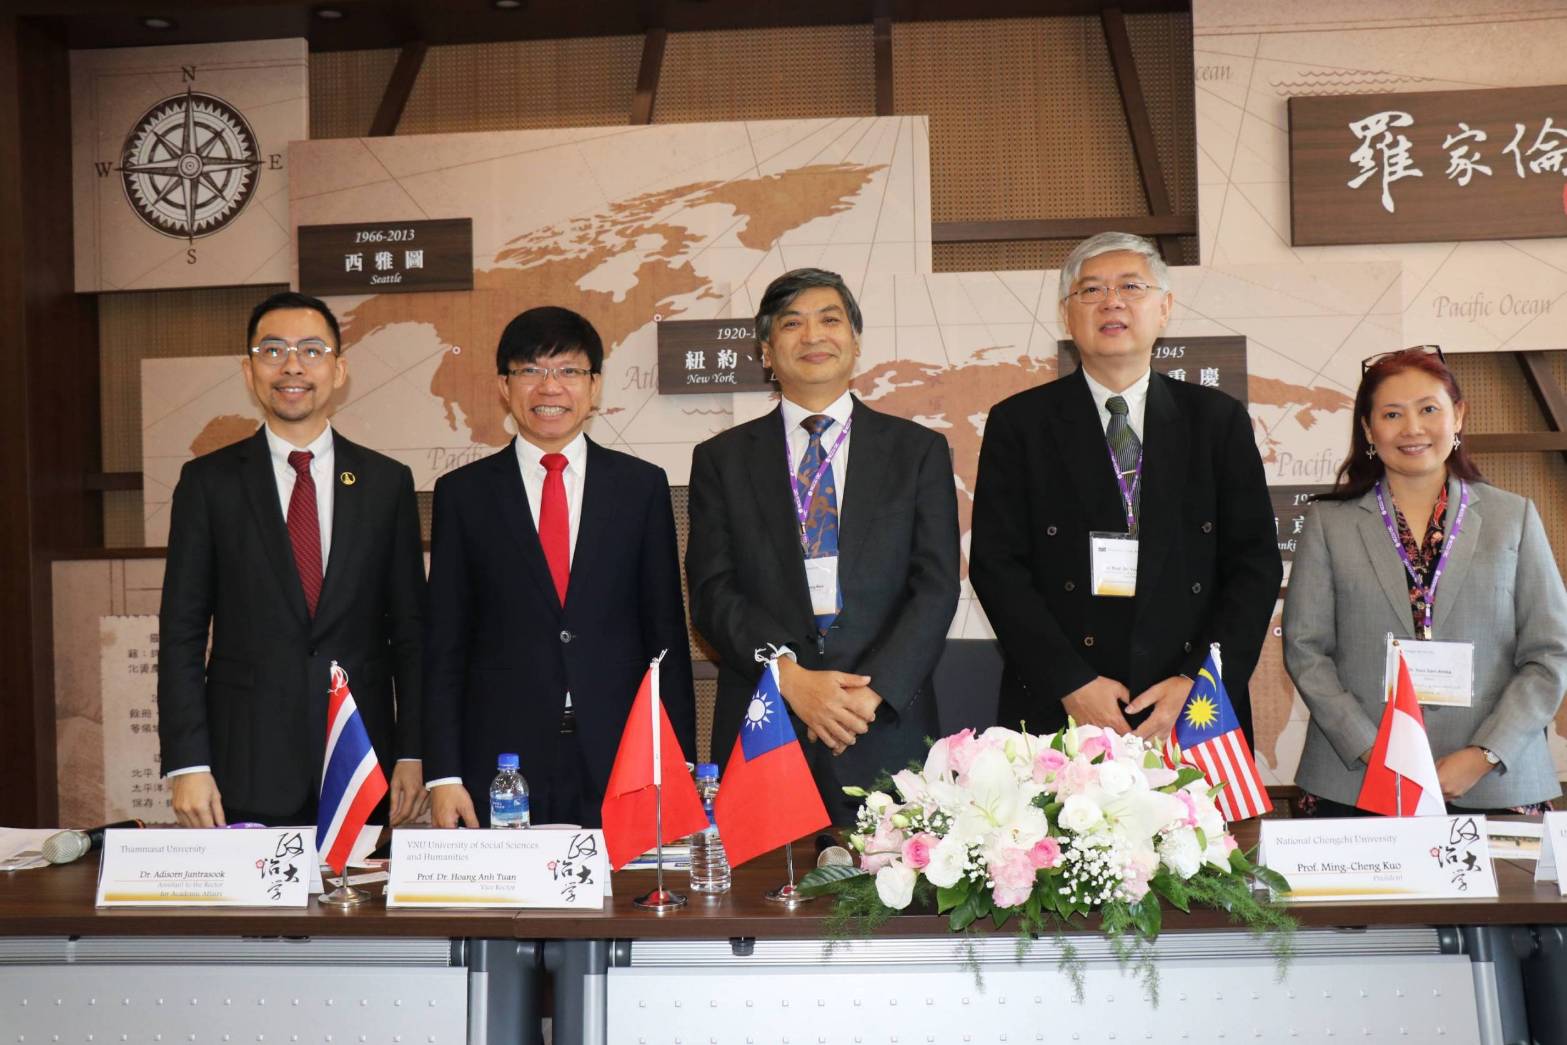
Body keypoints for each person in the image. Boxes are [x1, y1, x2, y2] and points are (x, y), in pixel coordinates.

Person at [970, 231, 1280, 741]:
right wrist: (1071, 681)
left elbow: (1255, 564)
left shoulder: (1215, 420)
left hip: (1187, 701)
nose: (1111, 301)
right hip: (1063, 703)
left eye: (1131, 287)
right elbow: (997, 567)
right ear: (1067, 315)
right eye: (1090, 290)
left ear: (1164, 308)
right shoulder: (1020, 424)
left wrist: (1198, 681)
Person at [686, 268, 960, 824]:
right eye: (792, 324)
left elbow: (935, 586)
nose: (813, 336)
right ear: (767, 351)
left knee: (896, 902)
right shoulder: (722, 459)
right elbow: (714, 593)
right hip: (768, 723)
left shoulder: (917, 451)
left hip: (885, 723)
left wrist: (870, 695)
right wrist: (789, 676)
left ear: (855, 342)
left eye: (829, 320)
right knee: (759, 901)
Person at [158, 291, 428, 828]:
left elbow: (411, 634)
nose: (292, 366)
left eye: (311, 349)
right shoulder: (208, 484)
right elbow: (182, 631)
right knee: (258, 916)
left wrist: (413, 752)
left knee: (362, 910)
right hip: (246, 764)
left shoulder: (385, 482)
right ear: (248, 369)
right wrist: (187, 761)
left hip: (361, 761)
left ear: (339, 368)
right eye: (273, 350)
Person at [422, 306, 695, 828]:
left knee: (622, 904)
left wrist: (675, 761)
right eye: (530, 371)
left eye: (568, 371)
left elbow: (664, 635)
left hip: (623, 754)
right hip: (500, 761)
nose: (550, 388)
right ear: (505, 386)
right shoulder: (464, 495)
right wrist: (444, 774)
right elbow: (444, 644)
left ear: (594, 387)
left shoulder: (640, 487)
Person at [1284, 347, 1567, 816]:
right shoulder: (1328, 522)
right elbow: (1305, 648)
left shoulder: (1511, 517)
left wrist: (1484, 754)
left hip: (1493, 783)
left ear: (1458, 416)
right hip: (1360, 780)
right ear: (1369, 429)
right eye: (1392, 414)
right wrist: (1374, 750)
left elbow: (1551, 652)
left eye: (1429, 409)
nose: (1412, 428)